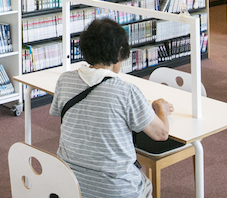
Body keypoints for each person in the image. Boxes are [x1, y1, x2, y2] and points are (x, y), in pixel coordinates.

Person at [49, 18, 173, 198]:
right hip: (115, 190)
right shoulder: (126, 91)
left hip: (68, 185)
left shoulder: (65, 80)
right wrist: (160, 107)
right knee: (145, 184)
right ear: (119, 52)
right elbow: (161, 134)